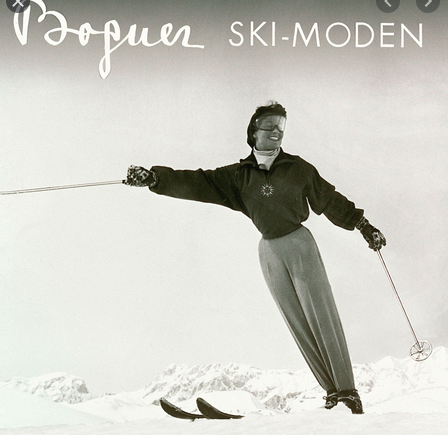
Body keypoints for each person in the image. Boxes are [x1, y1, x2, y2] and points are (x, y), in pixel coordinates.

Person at [125, 102, 386, 414]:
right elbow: (198, 182)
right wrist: (154, 178)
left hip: (299, 244)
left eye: (281, 126)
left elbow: (329, 199)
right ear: (253, 132)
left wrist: (363, 225)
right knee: (297, 323)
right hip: (269, 251)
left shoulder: (298, 168)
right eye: (270, 125)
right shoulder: (238, 176)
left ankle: (348, 393)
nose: (277, 131)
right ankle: (332, 393)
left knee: (321, 314)